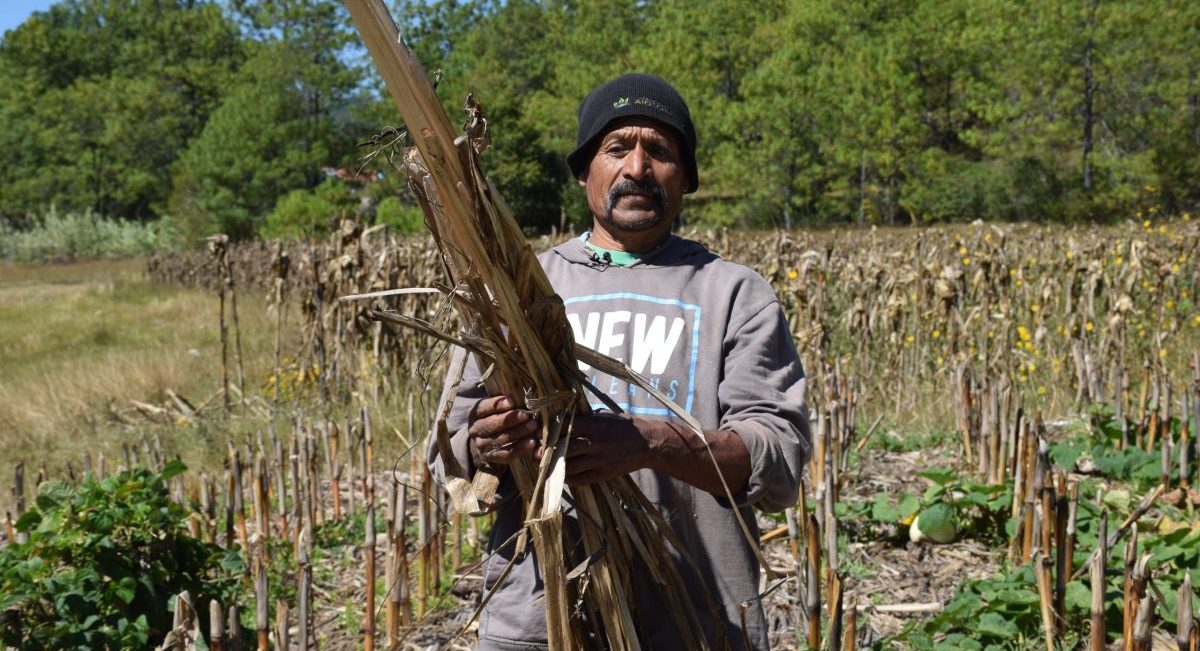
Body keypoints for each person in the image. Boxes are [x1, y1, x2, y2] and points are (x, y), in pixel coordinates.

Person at [429, 72, 811, 650]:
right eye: (617, 148)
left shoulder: (734, 294)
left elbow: (778, 461)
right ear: (585, 171)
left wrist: (649, 442)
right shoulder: (516, 289)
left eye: (659, 151)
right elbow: (447, 459)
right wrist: (484, 446)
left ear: (685, 178)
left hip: (696, 622)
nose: (637, 167)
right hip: (540, 624)